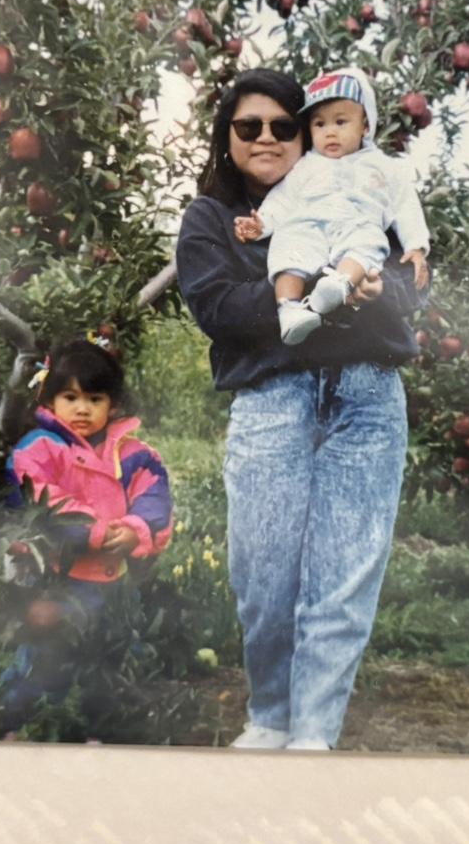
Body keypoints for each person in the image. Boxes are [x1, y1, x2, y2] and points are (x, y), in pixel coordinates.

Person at [175, 68, 421, 752]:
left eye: (286, 125)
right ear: (226, 139)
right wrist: (320, 286)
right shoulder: (212, 220)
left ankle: (313, 739)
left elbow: (410, 293)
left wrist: (372, 291)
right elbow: (216, 309)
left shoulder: (366, 192)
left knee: (342, 581)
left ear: (313, 129)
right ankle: (272, 716)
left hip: (367, 399)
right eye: (247, 127)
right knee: (264, 578)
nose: (267, 138)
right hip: (272, 402)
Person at [0, 335, 174, 718]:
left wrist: (136, 530)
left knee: (107, 651)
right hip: (58, 577)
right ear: (49, 401)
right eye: (71, 398)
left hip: (115, 580)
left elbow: (155, 497)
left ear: (112, 405)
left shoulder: (134, 454)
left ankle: (96, 722)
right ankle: (19, 716)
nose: (83, 409)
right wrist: (93, 531)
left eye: (95, 399)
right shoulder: (39, 447)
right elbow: (39, 498)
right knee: (47, 649)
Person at [234, 66, 429, 344]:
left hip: (357, 221)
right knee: (287, 247)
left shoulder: (385, 167)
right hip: (307, 223)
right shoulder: (306, 165)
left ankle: (338, 285)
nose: (330, 133)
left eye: (341, 122)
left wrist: (416, 246)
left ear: (365, 125)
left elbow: (405, 204)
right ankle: (289, 310)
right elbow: (283, 198)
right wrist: (261, 224)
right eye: (319, 124)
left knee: (367, 243)